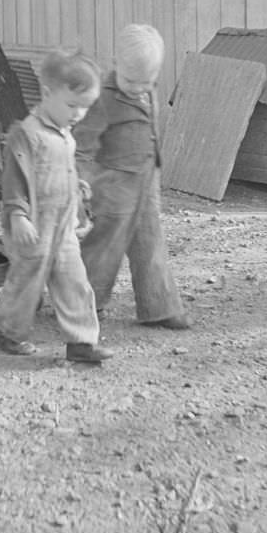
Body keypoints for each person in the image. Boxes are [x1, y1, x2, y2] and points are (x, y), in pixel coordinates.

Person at [0, 48, 114, 363]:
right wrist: (17, 215)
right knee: (27, 283)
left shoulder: (65, 134)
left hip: (64, 226)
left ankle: (81, 342)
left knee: (75, 281)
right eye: (72, 105)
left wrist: (78, 188)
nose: (77, 114)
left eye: (84, 108)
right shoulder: (27, 135)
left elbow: (63, 170)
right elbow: (15, 180)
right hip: (35, 226)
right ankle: (8, 331)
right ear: (47, 93)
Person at [74, 23, 193, 330]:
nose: (139, 88)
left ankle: (159, 306)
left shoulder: (146, 88)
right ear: (115, 63)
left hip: (145, 178)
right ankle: (84, 300)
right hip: (113, 183)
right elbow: (82, 144)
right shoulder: (102, 98)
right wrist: (77, 181)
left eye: (147, 81)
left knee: (150, 241)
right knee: (106, 243)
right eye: (131, 80)